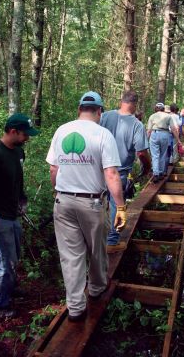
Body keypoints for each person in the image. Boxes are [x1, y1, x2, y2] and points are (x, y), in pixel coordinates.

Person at [46, 91, 126, 322]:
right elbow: (111, 173)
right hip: (92, 203)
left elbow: (53, 169)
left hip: (63, 201)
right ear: (99, 111)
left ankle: (75, 307)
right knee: (96, 249)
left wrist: (58, 191)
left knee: (70, 256)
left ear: (79, 109)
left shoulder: (61, 131)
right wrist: (120, 206)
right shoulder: (103, 134)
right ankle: (97, 288)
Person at [0, 113, 40, 317]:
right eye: (24, 134)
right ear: (13, 131)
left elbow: (17, 180)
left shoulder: (18, 152)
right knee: (5, 262)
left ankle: (8, 289)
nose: (27, 138)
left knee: (14, 256)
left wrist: (21, 200)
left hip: (12, 215)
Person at [100, 91, 151, 253]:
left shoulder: (104, 116)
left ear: (121, 101)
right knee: (116, 204)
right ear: (135, 104)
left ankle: (95, 240)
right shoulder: (136, 124)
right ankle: (111, 241)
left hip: (98, 170)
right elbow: (142, 152)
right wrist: (147, 167)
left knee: (97, 203)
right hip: (118, 172)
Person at [147, 102, 180, 183]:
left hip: (154, 134)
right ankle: (161, 172)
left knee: (155, 155)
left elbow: (149, 130)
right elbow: (173, 129)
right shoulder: (168, 116)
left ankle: (156, 173)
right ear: (163, 109)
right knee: (163, 154)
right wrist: (178, 139)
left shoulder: (152, 116)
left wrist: (146, 140)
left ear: (156, 108)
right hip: (165, 134)